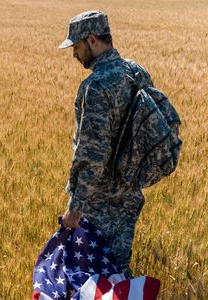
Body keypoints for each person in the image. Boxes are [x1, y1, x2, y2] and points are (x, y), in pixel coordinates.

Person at [58, 10, 159, 279]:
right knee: (119, 270)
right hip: (129, 193)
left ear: (92, 40)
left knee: (94, 276)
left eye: (77, 46)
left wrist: (75, 207)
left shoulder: (96, 86)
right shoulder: (137, 72)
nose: (74, 54)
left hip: (98, 201)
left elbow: (93, 154)